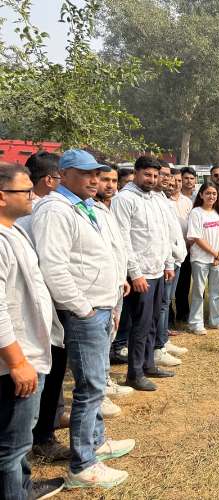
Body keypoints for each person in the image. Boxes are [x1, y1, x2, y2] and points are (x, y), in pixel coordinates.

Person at [32, 149, 135, 489]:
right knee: (89, 387)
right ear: (63, 174)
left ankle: (96, 442)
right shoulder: (55, 210)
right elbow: (54, 267)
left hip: (101, 305)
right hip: (85, 311)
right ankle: (83, 465)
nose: (94, 180)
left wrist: (115, 283)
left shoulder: (87, 206)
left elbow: (101, 253)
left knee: (96, 382)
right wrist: (82, 308)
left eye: (97, 174)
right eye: (85, 173)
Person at [0, 164, 65, 499]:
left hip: (29, 352)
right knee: (11, 445)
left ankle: (23, 486)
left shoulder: (14, 231)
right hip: (15, 359)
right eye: (24, 191)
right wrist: (16, 362)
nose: (32, 195)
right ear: (2, 196)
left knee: (20, 437)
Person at [112, 155, 176, 392]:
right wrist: (135, 273)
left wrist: (168, 264)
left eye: (155, 175)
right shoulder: (124, 199)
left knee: (152, 321)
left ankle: (149, 364)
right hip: (140, 274)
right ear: (136, 172)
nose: (151, 179)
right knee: (139, 325)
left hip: (158, 271)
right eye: (147, 174)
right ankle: (135, 373)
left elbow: (164, 235)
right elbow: (123, 239)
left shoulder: (156, 198)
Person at [154, 162, 187, 368]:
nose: (167, 179)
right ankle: (158, 347)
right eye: (163, 175)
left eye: (169, 176)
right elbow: (162, 235)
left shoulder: (162, 198)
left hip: (174, 259)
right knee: (161, 304)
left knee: (166, 302)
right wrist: (172, 255)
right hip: (165, 261)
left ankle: (163, 341)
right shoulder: (152, 199)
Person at [187, 181, 219, 334]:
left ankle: (215, 319)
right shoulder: (196, 212)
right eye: (208, 193)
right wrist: (215, 253)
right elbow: (197, 237)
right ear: (201, 195)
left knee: (216, 292)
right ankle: (196, 323)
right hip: (200, 259)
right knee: (198, 292)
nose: (211, 196)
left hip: (218, 259)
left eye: (214, 193)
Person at [170, 168, 193, 324]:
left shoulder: (187, 201)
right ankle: (169, 317)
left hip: (187, 248)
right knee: (169, 285)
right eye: (175, 180)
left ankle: (183, 313)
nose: (177, 184)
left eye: (179, 180)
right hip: (170, 250)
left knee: (184, 283)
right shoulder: (164, 201)